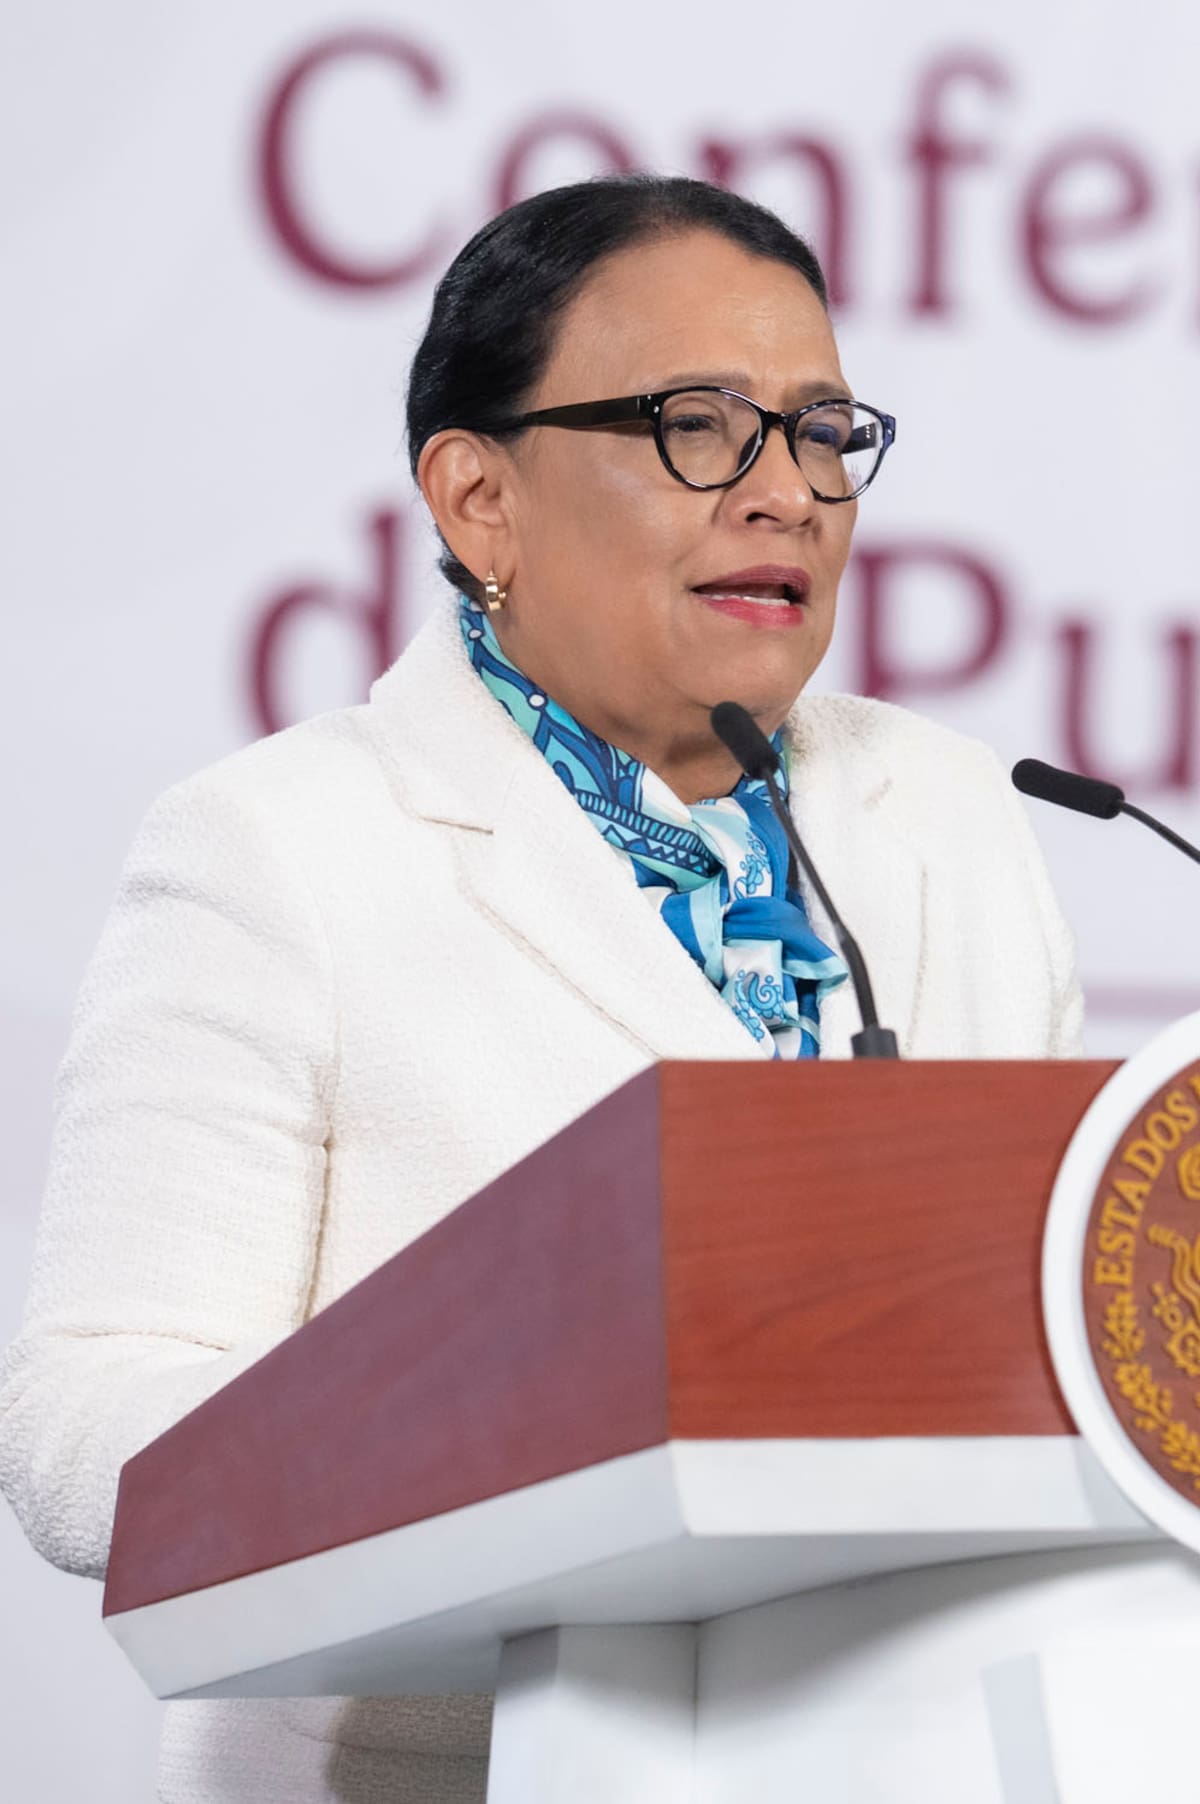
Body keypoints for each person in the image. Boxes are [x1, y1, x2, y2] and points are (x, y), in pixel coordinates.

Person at [0, 175, 1081, 1803]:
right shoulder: (276, 850)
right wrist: (505, 1411)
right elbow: (85, 1435)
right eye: (698, 425)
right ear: (476, 498)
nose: (785, 491)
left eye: (820, 430)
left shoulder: (954, 820)